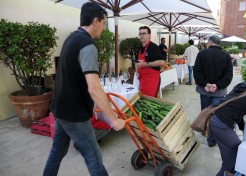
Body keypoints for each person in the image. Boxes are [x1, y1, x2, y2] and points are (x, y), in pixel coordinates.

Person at [43, 2, 125, 176]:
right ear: (95, 21)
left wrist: (93, 104)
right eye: (103, 24)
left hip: (60, 108)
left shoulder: (72, 38)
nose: (103, 28)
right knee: (93, 156)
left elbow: (73, 77)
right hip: (73, 113)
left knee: (58, 151)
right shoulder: (87, 45)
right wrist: (112, 118)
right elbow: (94, 88)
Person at [210, 70, 246, 176]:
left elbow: (236, 107)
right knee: (237, 152)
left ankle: (229, 170)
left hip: (215, 117)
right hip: (221, 124)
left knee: (230, 156)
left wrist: (243, 128)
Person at [193, 34, 233, 147]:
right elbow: (229, 76)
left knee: (205, 112)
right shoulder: (226, 56)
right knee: (215, 115)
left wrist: (205, 84)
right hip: (219, 92)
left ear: (209, 42)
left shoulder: (202, 53)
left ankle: (204, 130)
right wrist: (217, 85)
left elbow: (196, 71)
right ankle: (211, 139)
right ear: (218, 43)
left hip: (204, 90)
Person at [135, 26, 165, 97]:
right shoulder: (139, 48)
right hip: (142, 79)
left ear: (149, 35)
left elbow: (162, 62)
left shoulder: (154, 47)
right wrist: (137, 71)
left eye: (144, 33)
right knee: (143, 99)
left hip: (152, 80)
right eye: (140, 34)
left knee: (150, 101)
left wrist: (145, 64)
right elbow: (136, 62)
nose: (142, 35)